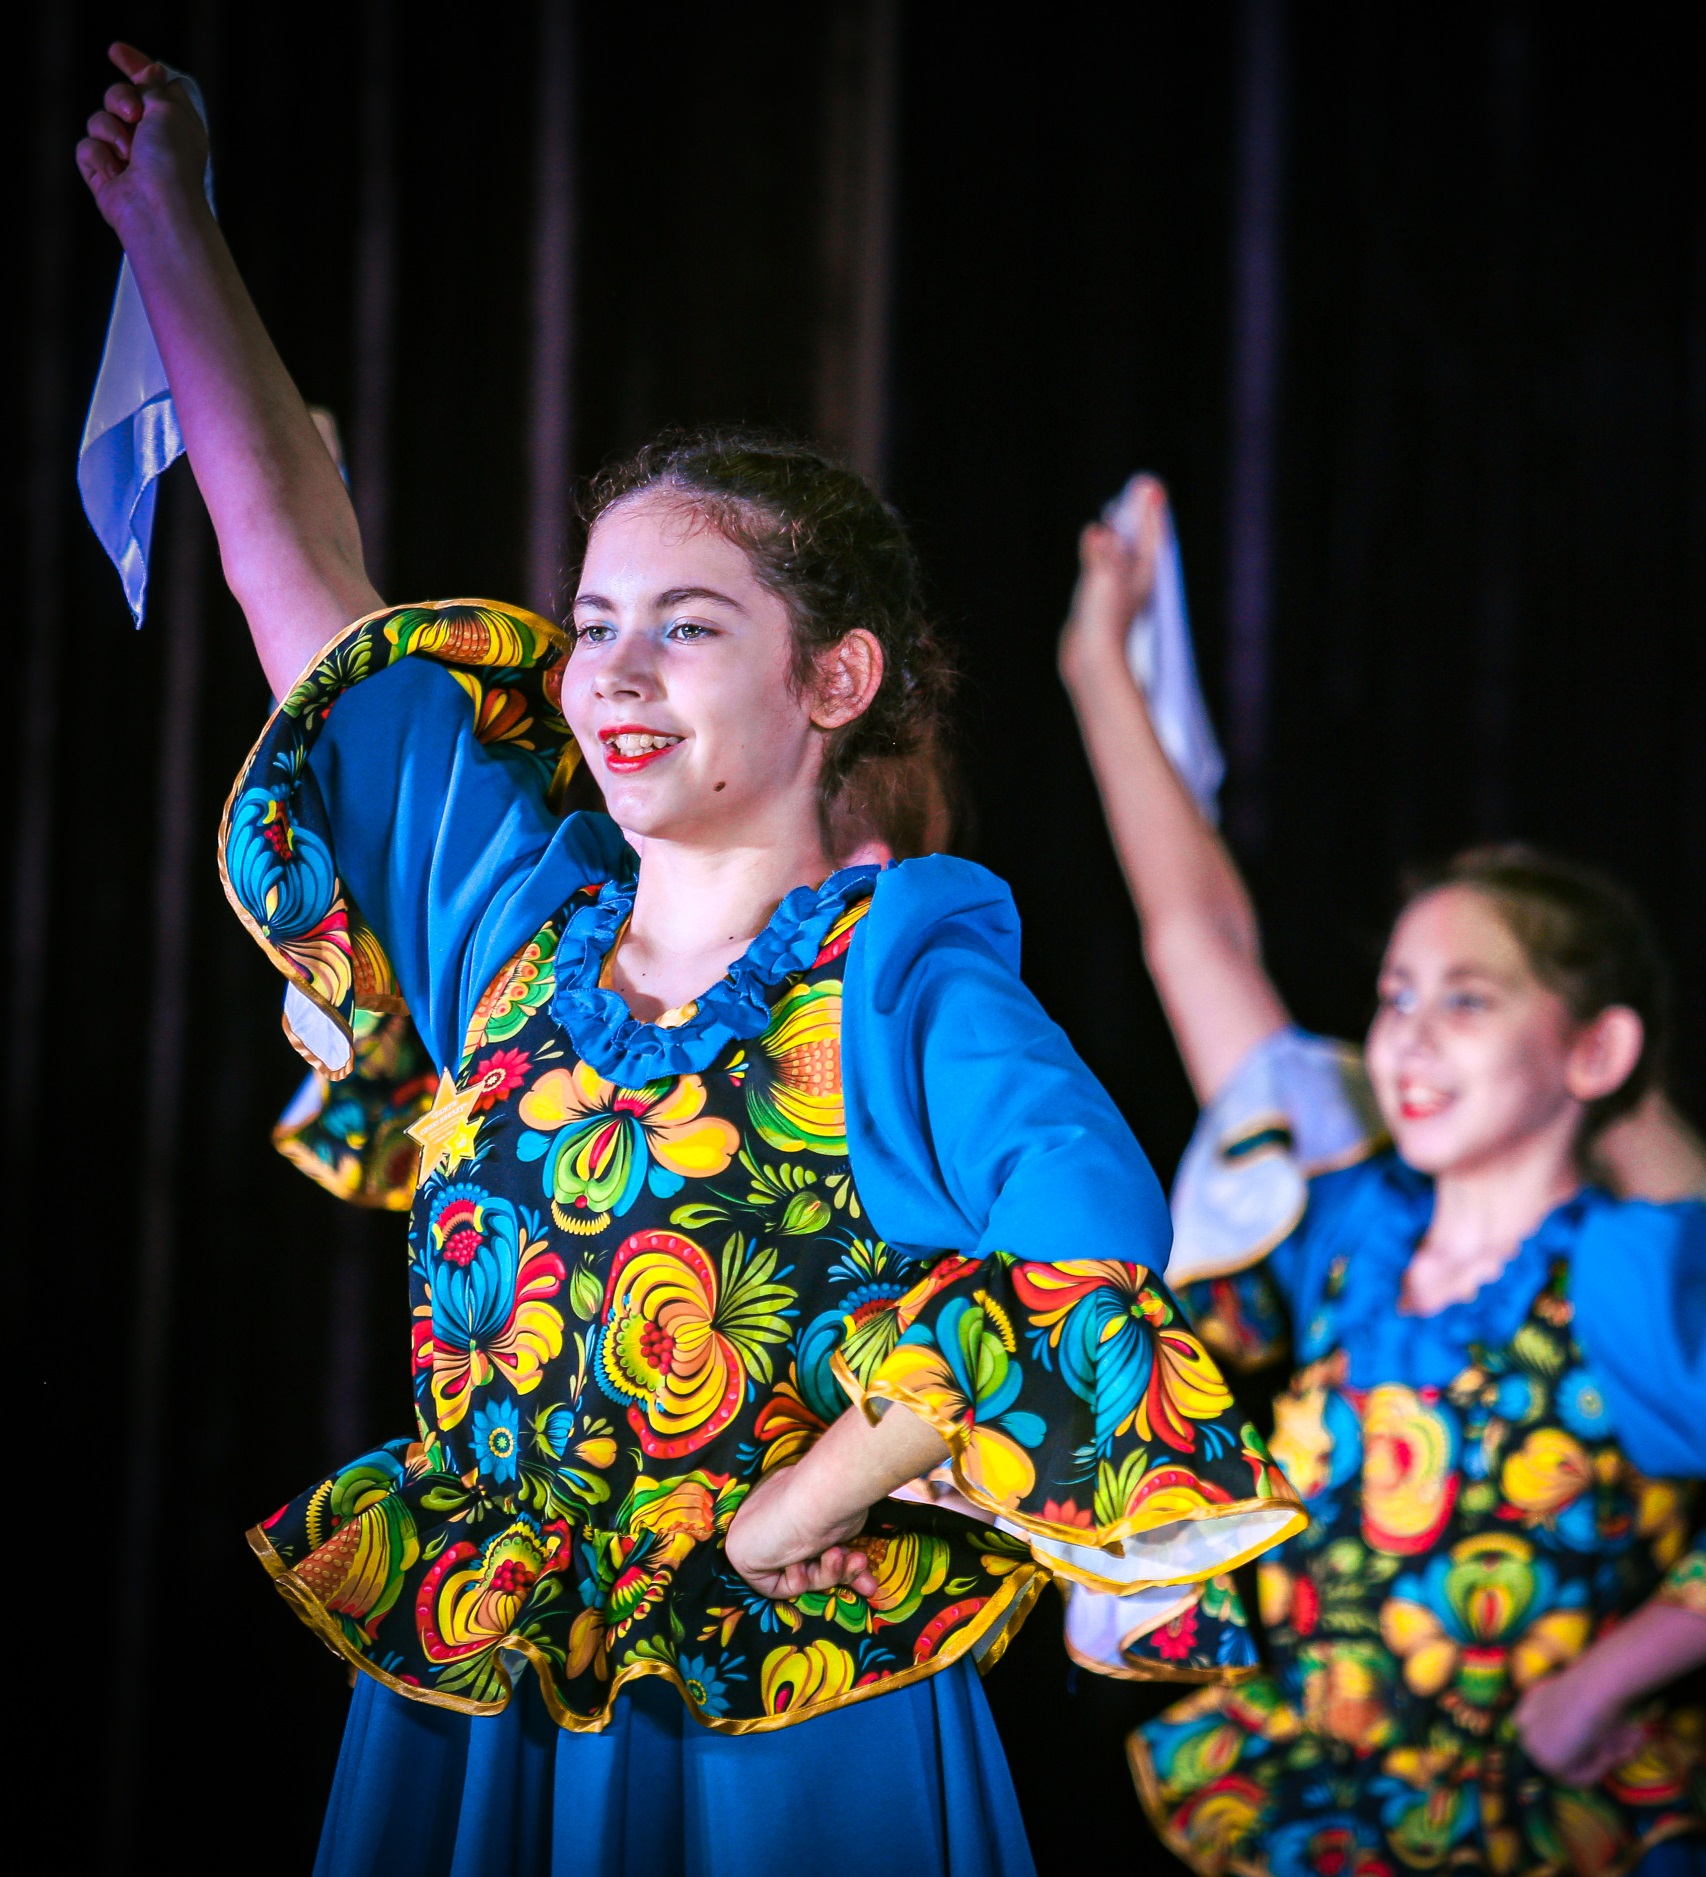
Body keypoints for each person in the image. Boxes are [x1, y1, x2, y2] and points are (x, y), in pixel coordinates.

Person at [77, 50, 1305, 1877]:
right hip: (485, 1699)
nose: (614, 672)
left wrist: (808, 1498)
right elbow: (304, 590)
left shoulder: (895, 975)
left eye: (688, 626)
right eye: (593, 626)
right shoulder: (507, 931)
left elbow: (1091, 1245)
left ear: (833, 679)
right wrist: (170, 221)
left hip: (784, 1736)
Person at [1055, 479, 1706, 1876]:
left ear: (1595, 1050)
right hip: (1323, 1816)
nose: (1407, 1035)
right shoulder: (1341, 1226)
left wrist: (1607, 1680)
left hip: (1534, 1826)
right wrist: (1099, 662)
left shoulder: (1631, 1265)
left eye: (1467, 998)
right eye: (1396, 995)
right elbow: (1192, 933)